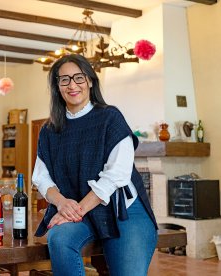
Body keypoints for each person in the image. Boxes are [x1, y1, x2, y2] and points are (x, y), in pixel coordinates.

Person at [32, 54, 158, 276]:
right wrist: (61, 204)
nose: (72, 85)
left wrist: (75, 210)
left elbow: (116, 176)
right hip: (80, 213)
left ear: (90, 81)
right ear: (57, 87)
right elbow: (42, 178)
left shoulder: (110, 118)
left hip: (123, 211)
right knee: (59, 238)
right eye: (64, 80)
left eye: (78, 77)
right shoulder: (49, 130)